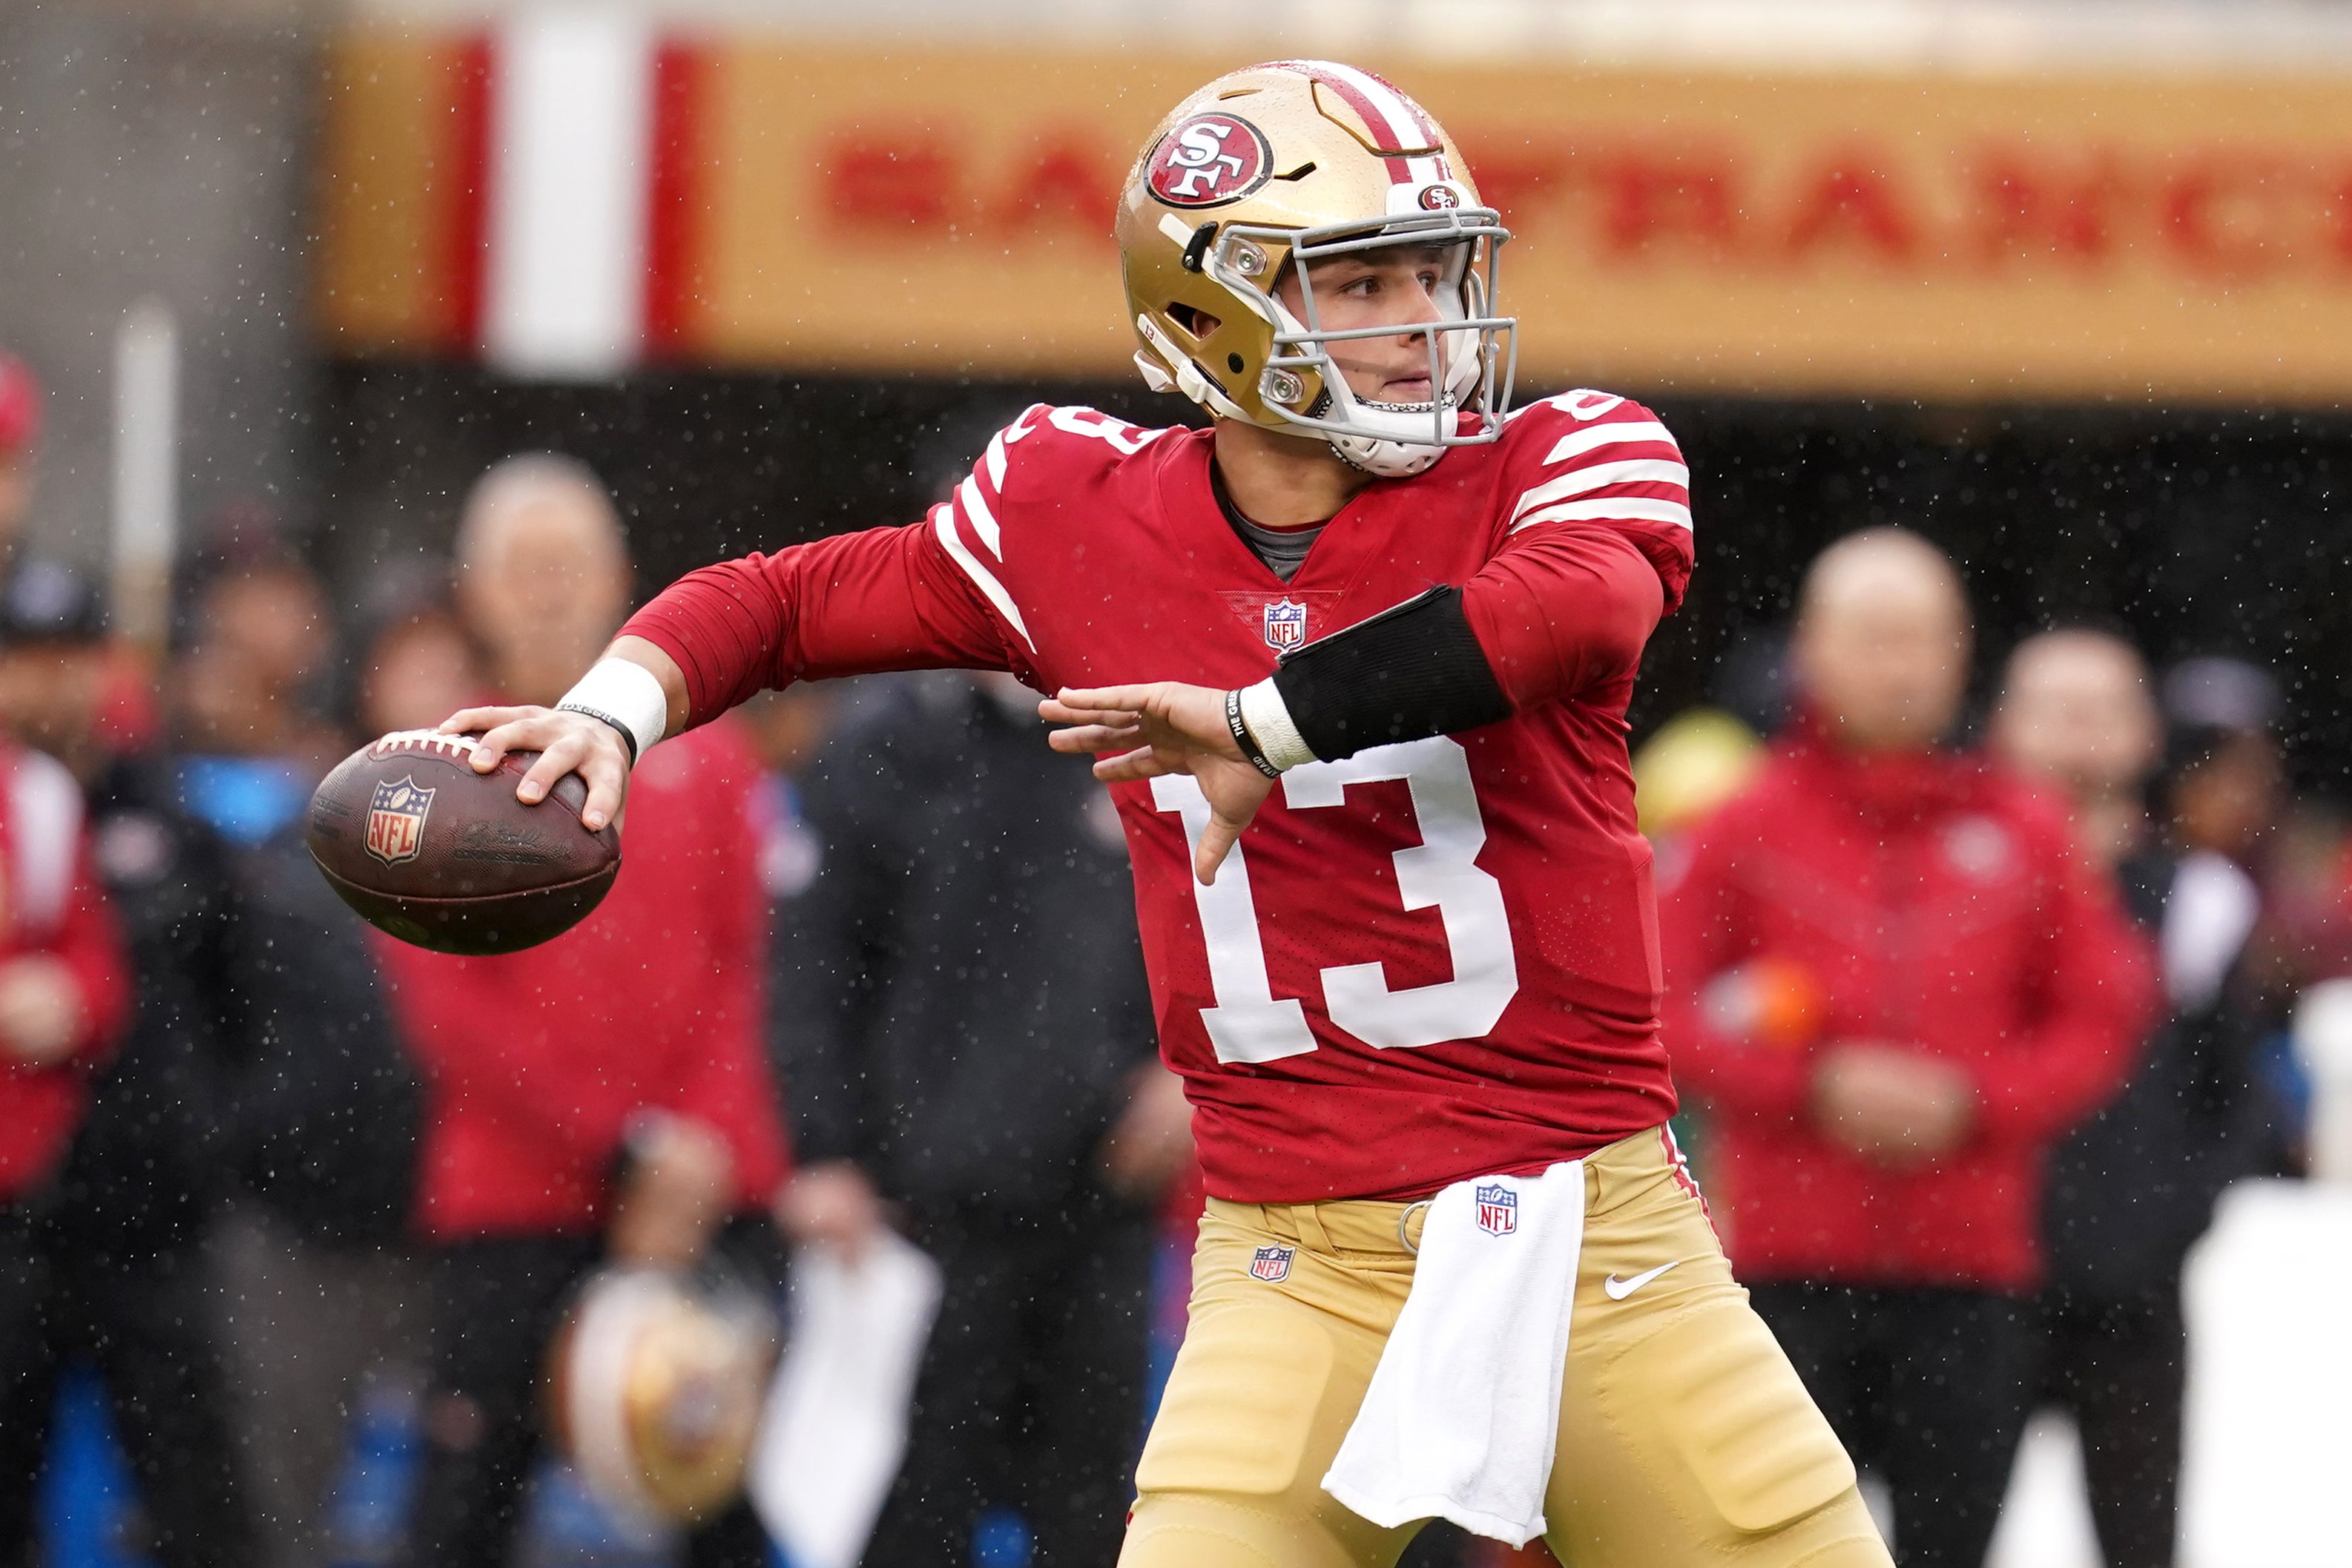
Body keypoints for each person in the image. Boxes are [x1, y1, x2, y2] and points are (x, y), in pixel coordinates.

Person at [445, 61, 1894, 1568]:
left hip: (1594, 1235)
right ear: (1215, 313)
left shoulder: (1559, 457)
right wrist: (612, 706)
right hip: (1295, 1256)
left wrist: (1272, 720)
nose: (1423, 324)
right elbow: (789, 600)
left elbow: (1571, 612)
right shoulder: (1072, 511)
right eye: (1362, 282)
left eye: (1434, 270)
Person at [1659, 533, 2153, 1568]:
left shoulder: (2025, 830)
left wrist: (1973, 1100)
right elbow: (1657, 1013)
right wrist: (1808, 1085)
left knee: (1951, 1543)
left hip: (1968, 1274)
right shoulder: (1742, 826)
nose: (1900, 667)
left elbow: (2100, 1015)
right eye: (1873, 638)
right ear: (1811, 649)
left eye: (1922, 639)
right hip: (1781, 1272)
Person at [378, 455, 791, 1568]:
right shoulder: (430, 775)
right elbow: (449, 1013)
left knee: (718, 1497)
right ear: (475, 590)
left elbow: (745, 972)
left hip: (705, 1196)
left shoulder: (706, 760)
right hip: (516, 1198)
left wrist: (690, 1145)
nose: (551, 588)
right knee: (463, 1506)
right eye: (524, 566)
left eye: (572, 563)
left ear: (620, 578)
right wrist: (623, 1147)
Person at [771, 671, 1186, 1565]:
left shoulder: (1138, 728)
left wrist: (1186, 1065)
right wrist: (825, 1152)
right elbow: (812, 963)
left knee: (1092, 1515)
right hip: (921, 1224)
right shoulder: (878, 746)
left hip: (1101, 1201)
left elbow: (1222, 914)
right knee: (909, 1513)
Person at [1991, 633, 2279, 1568]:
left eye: (2103, 706)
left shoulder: (2200, 899)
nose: (2077, 731)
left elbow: (2241, 1093)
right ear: (2000, 724)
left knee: (2142, 1541)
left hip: (2133, 1293)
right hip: (1971, 1284)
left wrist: (2167, 1219)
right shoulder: (1952, 883)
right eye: (2051, 704)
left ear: (2148, 734)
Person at [0, 561, 251, 1568]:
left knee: (202, 1511)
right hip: (16, 1224)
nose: (49, 685)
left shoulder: (168, 808)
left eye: (69, 658)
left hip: (152, 1223)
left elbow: (238, 993)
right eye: (25, 659)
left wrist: (215, 1139)